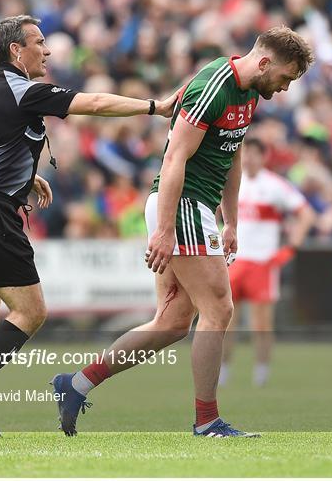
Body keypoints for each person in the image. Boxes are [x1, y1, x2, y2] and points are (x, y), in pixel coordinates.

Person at [51, 26, 314, 438]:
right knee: (220, 309)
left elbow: (233, 153)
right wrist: (165, 228)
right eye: (285, 77)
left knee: (172, 323)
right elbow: (174, 158)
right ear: (264, 63)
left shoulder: (247, 93)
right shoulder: (214, 85)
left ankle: (76, 383)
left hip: (197, 209)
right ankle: (207, 421)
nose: (284, 88)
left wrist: (231, 220)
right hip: (183, 205)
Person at [0, 15, 178, 437]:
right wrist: (153, 107)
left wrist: (24, 177)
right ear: (17, 51)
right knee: (31, 312)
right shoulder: (25, 90)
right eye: (39, 42)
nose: (47, 51)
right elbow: (95, 104)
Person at [219, 138, 315, 387]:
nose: (249, 158)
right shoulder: (232, 183)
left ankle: (261, 374)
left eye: (254, 154)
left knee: (260, 324)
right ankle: (223, 372)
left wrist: (291, 247)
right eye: (245, 153)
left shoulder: (275, 186)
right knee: (226, 321)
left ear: (264, 157)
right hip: (232, 261)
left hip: (262, 263)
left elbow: (306, 214)